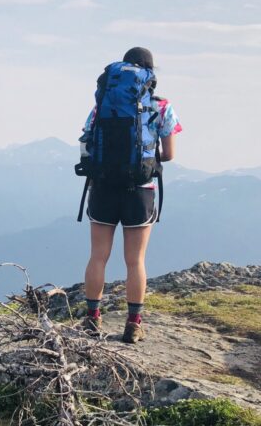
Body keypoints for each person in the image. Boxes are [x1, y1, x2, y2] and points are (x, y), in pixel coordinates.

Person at [79, 47, 182, 343]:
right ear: (150, 74)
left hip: (103, 186)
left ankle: (91, 320)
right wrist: (145, 159)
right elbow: (170, 154)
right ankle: (133, 324)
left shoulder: (102, 105)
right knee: (135, 260)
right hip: (140, 190)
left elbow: (86, 143)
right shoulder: (162, 107)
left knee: (98, 256)